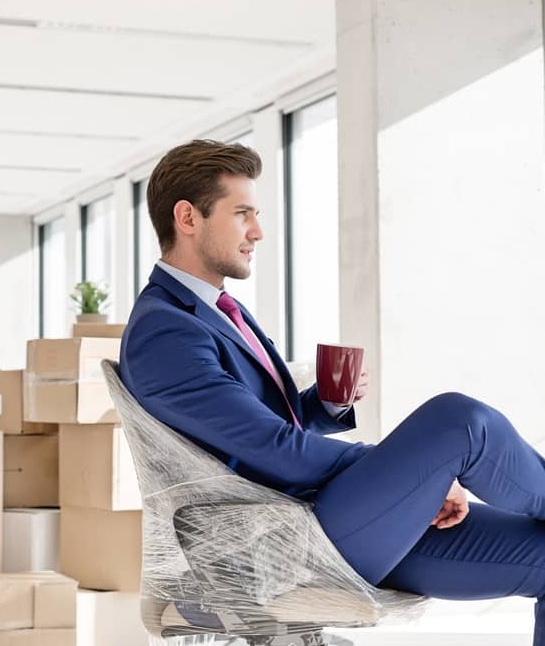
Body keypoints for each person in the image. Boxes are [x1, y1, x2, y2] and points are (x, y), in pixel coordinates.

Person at [120, 139, 545, 644]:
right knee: (459, 421)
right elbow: (275, 452)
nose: (257, 232)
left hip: (324, 522)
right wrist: (420, 476)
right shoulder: (167, 331)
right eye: (242, 214)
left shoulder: (209, 312)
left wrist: (322, 404)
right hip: (289, 542)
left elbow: (252, 434)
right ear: (188, 218)